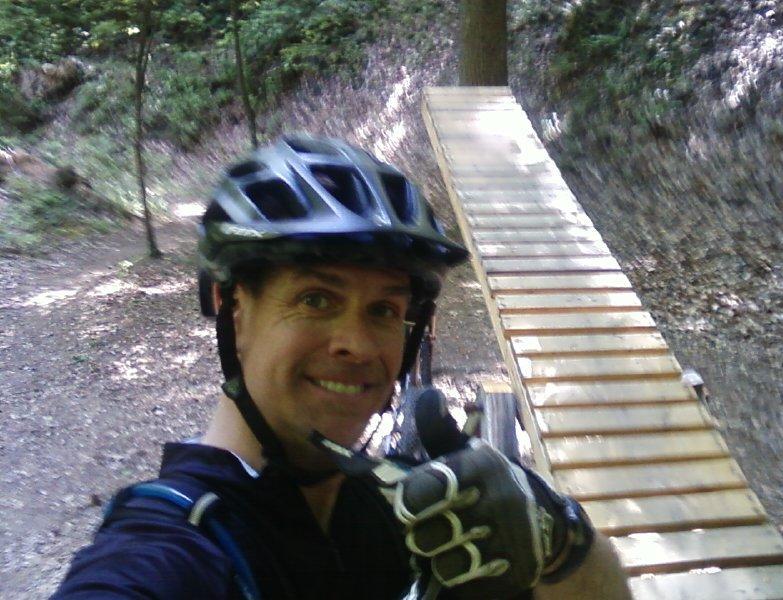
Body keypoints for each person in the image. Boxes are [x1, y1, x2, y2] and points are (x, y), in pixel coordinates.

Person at [53, 134, 632, 599]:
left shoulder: (413, 514)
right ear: (232, 309)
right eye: (315, 299)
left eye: (383, 309)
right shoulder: (174, 547)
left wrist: (557, 533)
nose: (356, 343)